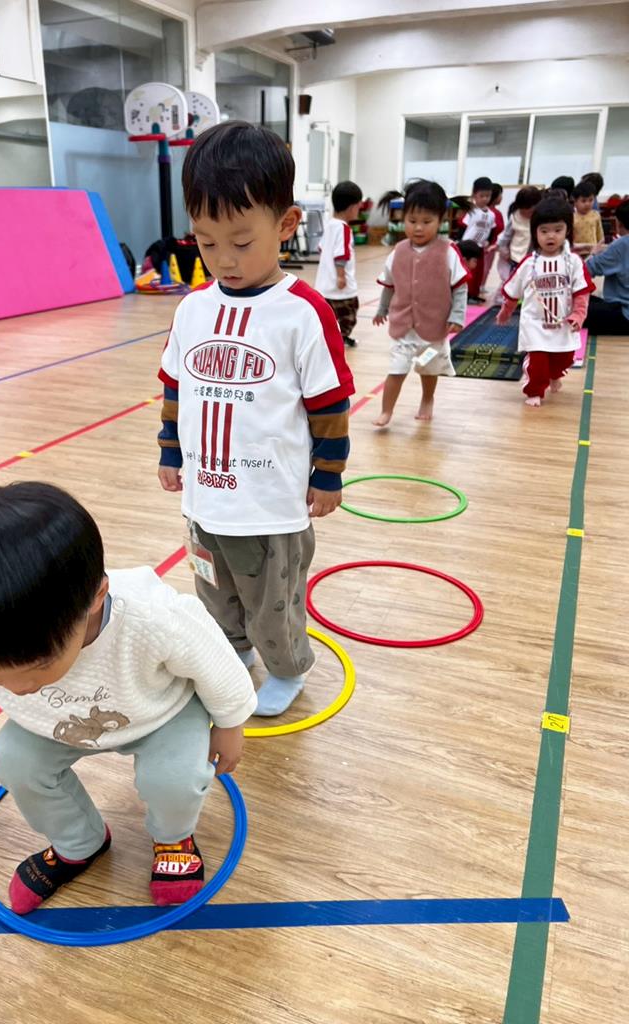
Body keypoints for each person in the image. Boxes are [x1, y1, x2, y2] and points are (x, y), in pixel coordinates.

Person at [0, 482, 257, 913]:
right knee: (14, 761)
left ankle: (173, 838)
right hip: (55, 723)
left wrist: (230, 723)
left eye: (36, 668)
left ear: (95, 599)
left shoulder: (154, 617)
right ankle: (78, 842)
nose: (17, 688)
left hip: (160, 712)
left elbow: (214, 660)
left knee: (174, 778)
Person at [157, 121, 355, 717]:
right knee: (213, 588)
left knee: (273, 599)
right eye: (206, 242)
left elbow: (329, 403)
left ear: (286, 224)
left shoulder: (302, 312)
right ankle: (234, 651)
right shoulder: (193, 309)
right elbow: (175, 385)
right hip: (205, 497)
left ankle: (288, 666)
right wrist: (170, 451)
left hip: (270, 503)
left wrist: (328, 475)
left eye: (242, 242)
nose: (224, 259)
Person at [373, 179, 470, 427]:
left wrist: (457, 315)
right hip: (403, 329)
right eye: (412, 220)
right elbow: (389, 284)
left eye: (427, 222)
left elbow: (460, 287)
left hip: (433, 330)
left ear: (441, 220)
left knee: (428, 368)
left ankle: (427, 399)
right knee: (396, 369)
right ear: (402, 218)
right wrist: (382, 309)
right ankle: (386, 411)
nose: (418, 228)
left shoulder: (448, 251)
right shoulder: (398, 251)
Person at [496, 198, 594, 406]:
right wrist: (506, 311)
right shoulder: (529, 264)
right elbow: (513, 291)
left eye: (557, 230)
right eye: (544, 231)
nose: (551, 236)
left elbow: (582, 292)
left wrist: (578, 314)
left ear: (567, 230)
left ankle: (555, 374)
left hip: (563, 323)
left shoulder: (574, 262)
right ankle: (535, 391)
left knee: (564, 358)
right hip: (535, 324)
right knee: (538, 362)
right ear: (535, 233)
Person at [315, 180, 363, 347]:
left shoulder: (329, 225)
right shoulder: (344, 229)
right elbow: (341, 255)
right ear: (352, 208)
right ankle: (339, 338)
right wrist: (341, 276)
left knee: (330, 317)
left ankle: (335, 337)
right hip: (340, 289)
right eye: (358, 207)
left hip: (324, 286)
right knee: (349, 315)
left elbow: (321, 248)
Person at [584, 199, 629, 336]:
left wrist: (593, 253)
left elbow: (587, 270)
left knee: (574, 307)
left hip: (625, 314)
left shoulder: (621, 245)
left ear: (619, 223)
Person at [495, 186, 542, 297]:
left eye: (529, 212)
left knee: (530, 282)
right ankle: (506, 300)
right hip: (515, 257)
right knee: (513, 282)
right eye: (523, 211)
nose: (525, 215)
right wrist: (503, 250)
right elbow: (506, 236)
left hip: (533, 258)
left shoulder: (539, 218)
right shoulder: (515, 217)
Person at [458, 176, 496, 302]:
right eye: (482, 196)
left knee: (479, 271)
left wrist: (489, 241)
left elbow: (492, 229)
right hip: (468, 246)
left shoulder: (491, 215)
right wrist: (459, 243)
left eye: (488, 196)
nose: (485, 199)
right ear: (475, 195)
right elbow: (463, 226)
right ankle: (467, 295)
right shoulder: (471, 211)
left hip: (480, 246)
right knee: (468, 271)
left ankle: (475, 293)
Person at [572, 181, 605, 253]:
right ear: (575, 201)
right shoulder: (572, 217)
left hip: (593, 252)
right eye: (583, 201)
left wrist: (599, 248)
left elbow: (600, 235)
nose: (587, 204)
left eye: (591, 200)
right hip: (577, 253)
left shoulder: (596, 215)